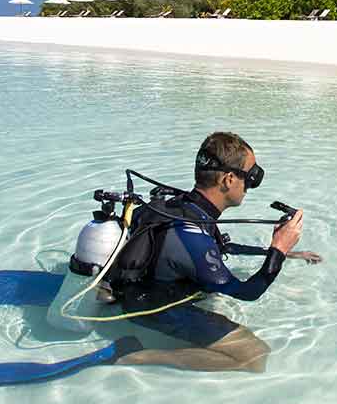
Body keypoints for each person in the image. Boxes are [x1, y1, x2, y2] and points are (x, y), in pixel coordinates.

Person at [113, 132, 320, 372]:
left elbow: (221, 247)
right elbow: (247, 292)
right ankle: (137, 357)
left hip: (136, 289)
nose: (250, 186)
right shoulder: (191, 234)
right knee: (255, 355)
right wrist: (279, 251)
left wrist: (282, 251)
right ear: (229, 180)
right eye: (251, 177)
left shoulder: (181, 207)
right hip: (152, 308)